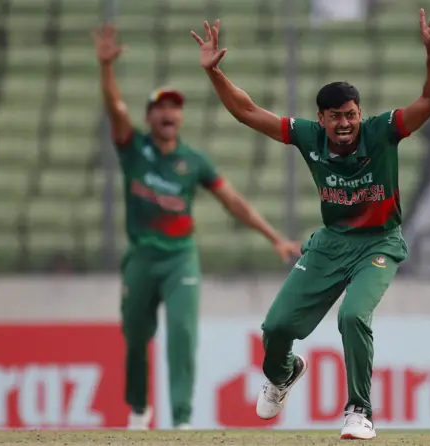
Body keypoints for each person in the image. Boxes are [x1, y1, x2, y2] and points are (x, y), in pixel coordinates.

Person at [191, 8, 430, 440]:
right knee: (275, 329)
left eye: (350, 114)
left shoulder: (382, 131)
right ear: (321, 119)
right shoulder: (308, 137)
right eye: (335, 117)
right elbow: (247, 112)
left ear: (359, 113)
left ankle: (359, 411)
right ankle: (284, 373)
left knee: (352, 316)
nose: (344, 124)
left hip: (378, 245)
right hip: (330, 244)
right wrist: (216, 75)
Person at [91, 23, 302, 431]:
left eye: (175, 107)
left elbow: (233, 201)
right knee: (136, 337)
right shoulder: (133, 149)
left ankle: (182, 421)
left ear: (180, 116)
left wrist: (274, 237)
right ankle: (139, 409)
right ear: (150, 115)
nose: (169, 113)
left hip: (179, 258)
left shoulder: (194, 160)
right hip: (141, 256)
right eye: (161, 107)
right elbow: (116, 110)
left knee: (183, 335)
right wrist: (106, 69)